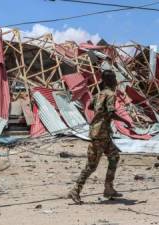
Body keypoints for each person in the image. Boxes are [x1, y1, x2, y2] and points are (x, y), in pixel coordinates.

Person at [68, 70, 132, 204]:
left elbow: (90, 106)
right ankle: (75, 190)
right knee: (91, 166)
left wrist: (99, 112)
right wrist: (125, 121)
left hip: (101, 133)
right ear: (111, 80)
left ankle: (108, 188)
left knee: (114, 157)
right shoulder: (110, 95)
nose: (116, 81)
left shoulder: (99, 94)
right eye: (114, 78)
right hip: (101, 134)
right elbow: (110, 112)